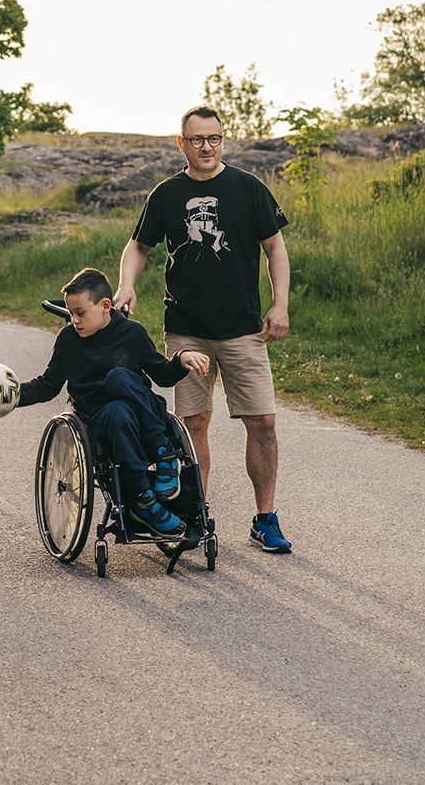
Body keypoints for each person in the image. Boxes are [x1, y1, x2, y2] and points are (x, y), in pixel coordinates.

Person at [114, 105, 295, 553]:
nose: (206, 147)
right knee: (193, 424)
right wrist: (126, 285)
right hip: (187, 330)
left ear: (222, 140)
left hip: (243, 330)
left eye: (213, 138)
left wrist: (280, 305)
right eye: (196, 139)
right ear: (182, 143)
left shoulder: (248, 188)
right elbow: (138, 246)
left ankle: (264, 519)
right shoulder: (166, 195)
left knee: (264, 422)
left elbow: (275, 247)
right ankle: (197, 517)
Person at [16, 267, 213, 536]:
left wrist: (180, 358)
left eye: (80, 313)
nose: (73, 319)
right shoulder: (68, 340)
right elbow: (47, 386)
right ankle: (143, 500)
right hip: (98, 417)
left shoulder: (132, 334)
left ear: (106, 306)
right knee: (118, 411)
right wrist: (13, 396)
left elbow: (163, 375)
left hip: (144, 411)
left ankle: (164, 452)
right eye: (71, 313)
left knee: (119, 377)